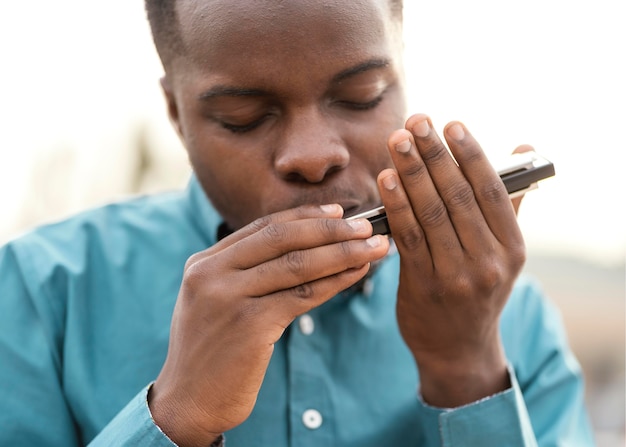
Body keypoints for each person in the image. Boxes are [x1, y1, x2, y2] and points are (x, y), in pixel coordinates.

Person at [0, 0, 595, 445]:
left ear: (401, 73)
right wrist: (176, 418)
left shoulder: (514, 319)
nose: (312, 155)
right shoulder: (40, 291)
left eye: (361, 96)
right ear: (176, 113)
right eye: (243, 117)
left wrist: (465, 369)